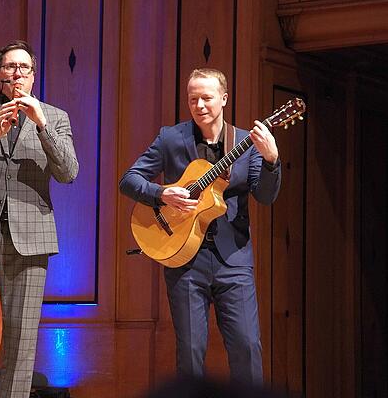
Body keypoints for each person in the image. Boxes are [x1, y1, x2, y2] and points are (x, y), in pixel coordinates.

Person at [119, 68, 281, 385]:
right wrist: (162, 193)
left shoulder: (245, 143)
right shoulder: (171, 138)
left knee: (247, 348)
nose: (199, 105)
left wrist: (272, 160)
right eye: (193, 99)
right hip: (184, 260)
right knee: (191, 353)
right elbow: (129, 180)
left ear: (224, 98)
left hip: (233, 260)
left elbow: (264, 196)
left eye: (206, 98)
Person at [0, 40, 79, 398]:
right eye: (9, 67)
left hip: (31, 238)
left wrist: (41, 125)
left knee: (22, 339)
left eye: (24, 68)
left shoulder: (55, 117)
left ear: (33, 76)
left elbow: (69, 171)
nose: (17, 74)